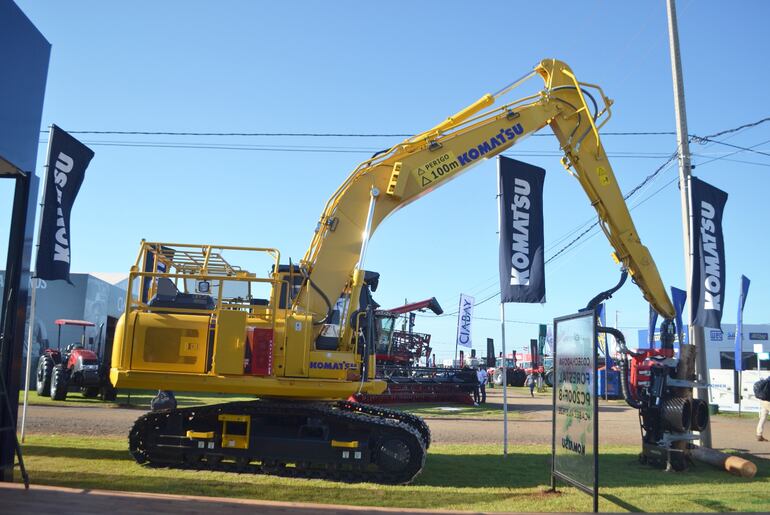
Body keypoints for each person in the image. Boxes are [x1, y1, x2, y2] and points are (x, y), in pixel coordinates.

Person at [755, 377, 770, 441]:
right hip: (769, 401)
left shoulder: (767, 379)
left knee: (763, 418)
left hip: (763, 400)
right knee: (763, 418)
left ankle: (759, 434)